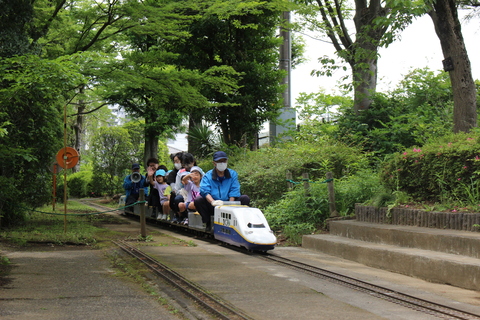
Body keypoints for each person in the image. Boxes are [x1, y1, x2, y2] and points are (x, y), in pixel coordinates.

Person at [194, 151, 249, 230]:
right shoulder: (207, 176)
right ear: (214, 163)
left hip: (229, 203)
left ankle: (239, 223)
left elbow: (234, 189)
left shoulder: (233, 174)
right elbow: (205, 191)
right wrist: (213, 202)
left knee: (245, 198)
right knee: (198, 200)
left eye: (224, 161)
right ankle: (208, 223)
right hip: (213, 205)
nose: (222, 163)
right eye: (219, 161)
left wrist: (230, 205)